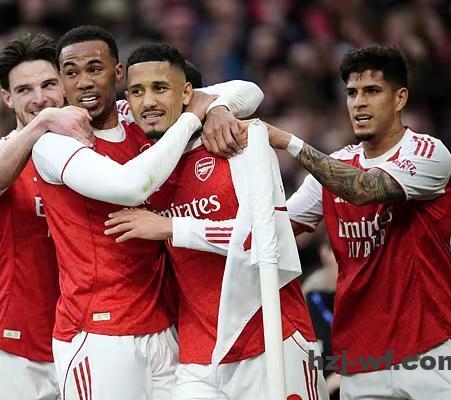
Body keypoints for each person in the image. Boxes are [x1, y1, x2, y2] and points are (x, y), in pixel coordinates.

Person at [176, 45, 451, 399]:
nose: (359, 103)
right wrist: (180, 225)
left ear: (400, 98)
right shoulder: (336, 163)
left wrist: (288, 142)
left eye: (372, 91)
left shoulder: (427, 152)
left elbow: (364, 188)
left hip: (432, 348)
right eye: (352, 93)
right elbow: (270, 231)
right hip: (362, 357)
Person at [30, 26, 263, 400]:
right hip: (98, 333)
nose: (84, 82)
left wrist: (217, 108)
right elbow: (130, 186)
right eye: (71, 73)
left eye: (95, 69)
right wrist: (192, 117)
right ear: (61, 81)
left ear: (118, 73)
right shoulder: (53, 145)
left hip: (163, 326)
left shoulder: (138, 116)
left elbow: (249, 91)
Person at [104, 42, 329, 400]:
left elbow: (268, 237)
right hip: (197, 353)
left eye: (160, 89)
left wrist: (171, 227)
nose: (148, 102)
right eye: (137, 92)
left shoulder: (238, 142)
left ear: (188, 95)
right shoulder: (147, 164)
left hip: (272, 337)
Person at [0, 32, 93, 400]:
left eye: (48, 85)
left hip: (82, 339)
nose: (40, 99)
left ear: (65, 85)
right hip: (11, 347)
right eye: (24, 90)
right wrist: (43, 123)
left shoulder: (92, 154)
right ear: (7, 98)